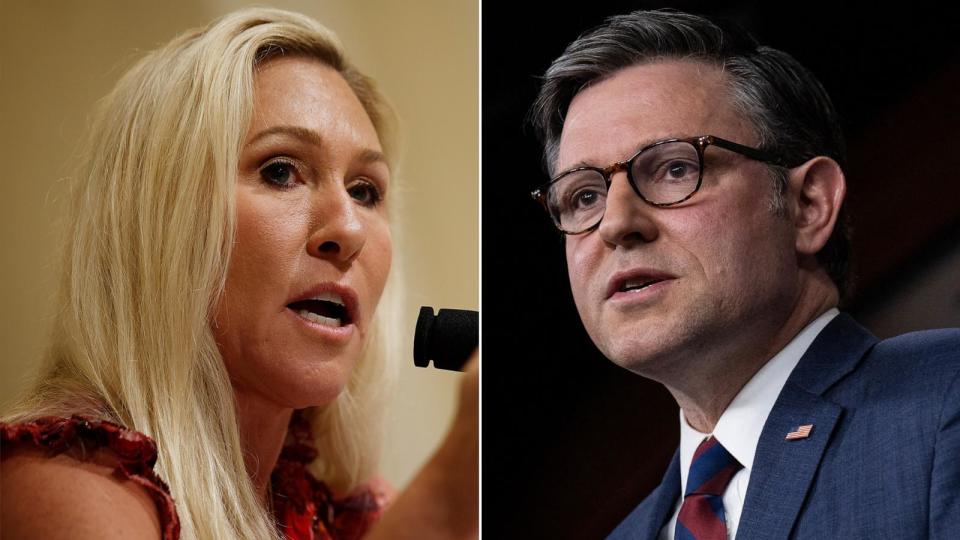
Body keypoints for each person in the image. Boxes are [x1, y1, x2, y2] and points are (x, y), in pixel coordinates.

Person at [0, 8, 477, 540]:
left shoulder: (344, 515)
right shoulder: (64, 487)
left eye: (365, 191)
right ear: (160, 220)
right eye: (280, 171)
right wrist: (454, 490)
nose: (348, 228)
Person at [528, 9, 960, 539]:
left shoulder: (944, 404)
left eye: (675, 168)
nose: (617, 224)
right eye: (584, 195)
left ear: (808, 205)